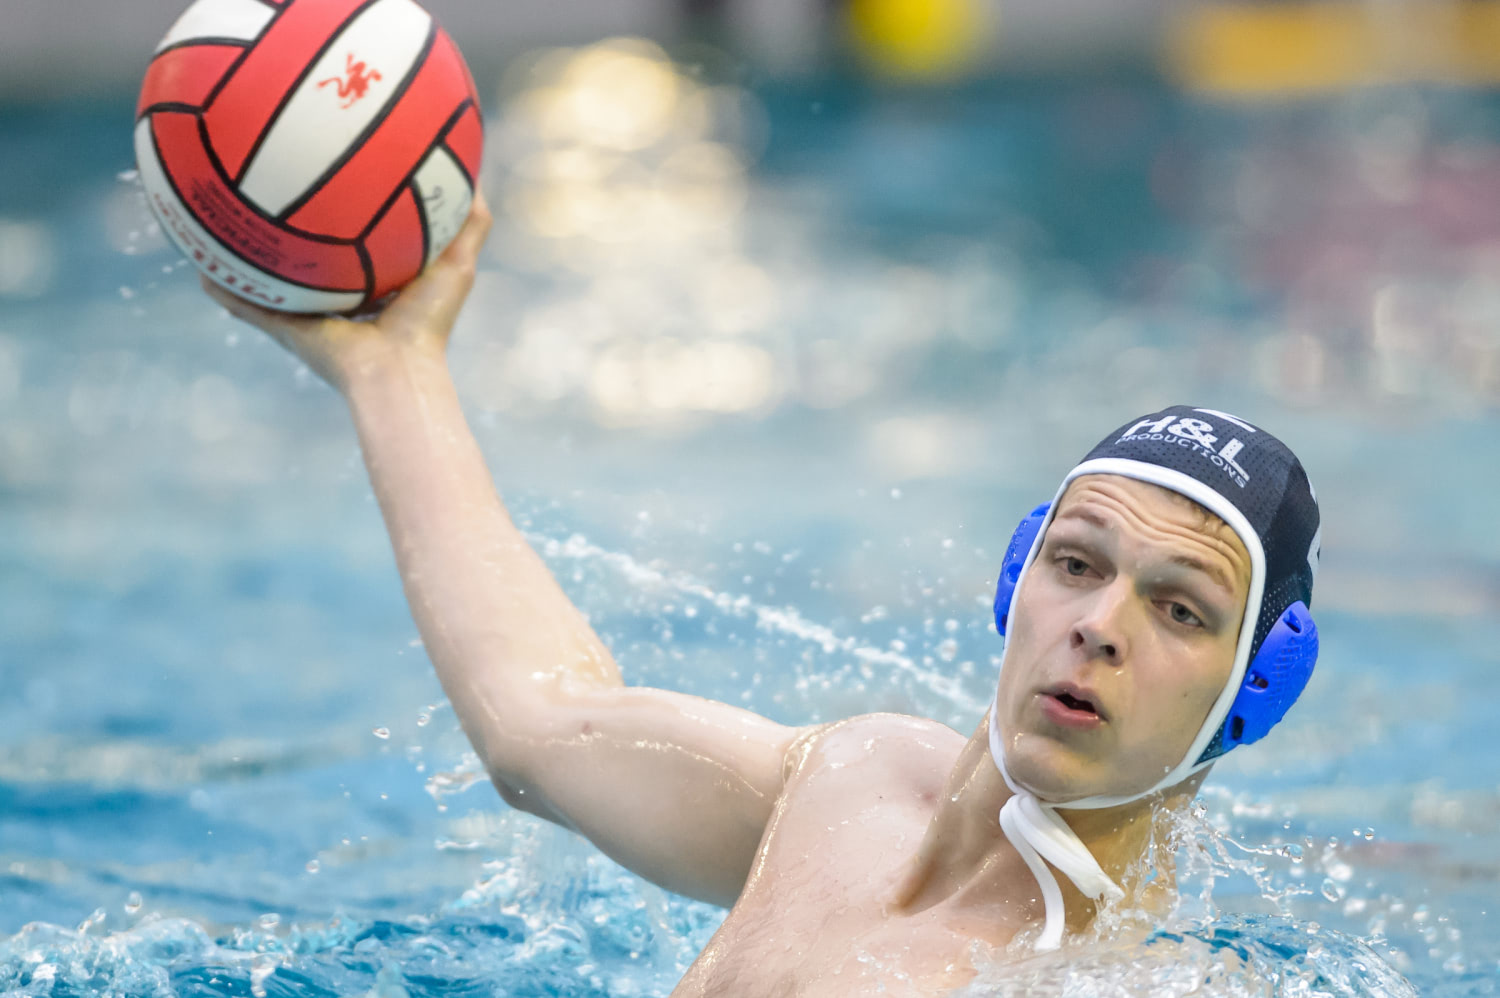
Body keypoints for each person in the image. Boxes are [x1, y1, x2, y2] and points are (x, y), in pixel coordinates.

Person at [204, 198, 1322, 995]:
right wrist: (393, 367)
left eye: (1181, 608)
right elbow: (534, 725)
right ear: (1014, 576)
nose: (1100, 624)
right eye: (1077, 562)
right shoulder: (850, 780)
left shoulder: (1118, 983)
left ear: (1255, 690)